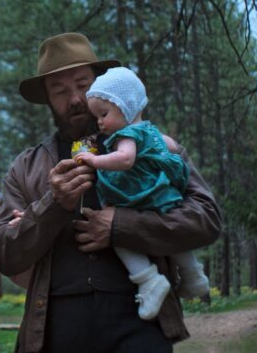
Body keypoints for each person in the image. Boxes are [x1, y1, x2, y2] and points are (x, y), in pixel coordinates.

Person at [0, 32, 221, 352]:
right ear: (47, 98)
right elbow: (4, 253)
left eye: (83, 85)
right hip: (55, 331)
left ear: (101, 84)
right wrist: (53, 205)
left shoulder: (151, 145)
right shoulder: (26, 168)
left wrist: (120, 226)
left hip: (141, 324)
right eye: (59, 90)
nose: (74, 99)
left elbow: (206, 218)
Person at [72, 66, 210, 320]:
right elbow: (170, 148)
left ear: (126, 106)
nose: (100, 122)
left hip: (135, 196)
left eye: (104, 114)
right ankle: (193, 275)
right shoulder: (152, 131)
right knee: (173, 236)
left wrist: (94, 161)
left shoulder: (126, 136)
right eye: (97, 117)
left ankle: (148, 280)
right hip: (162, 194)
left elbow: (125, 160)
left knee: (118, 234)